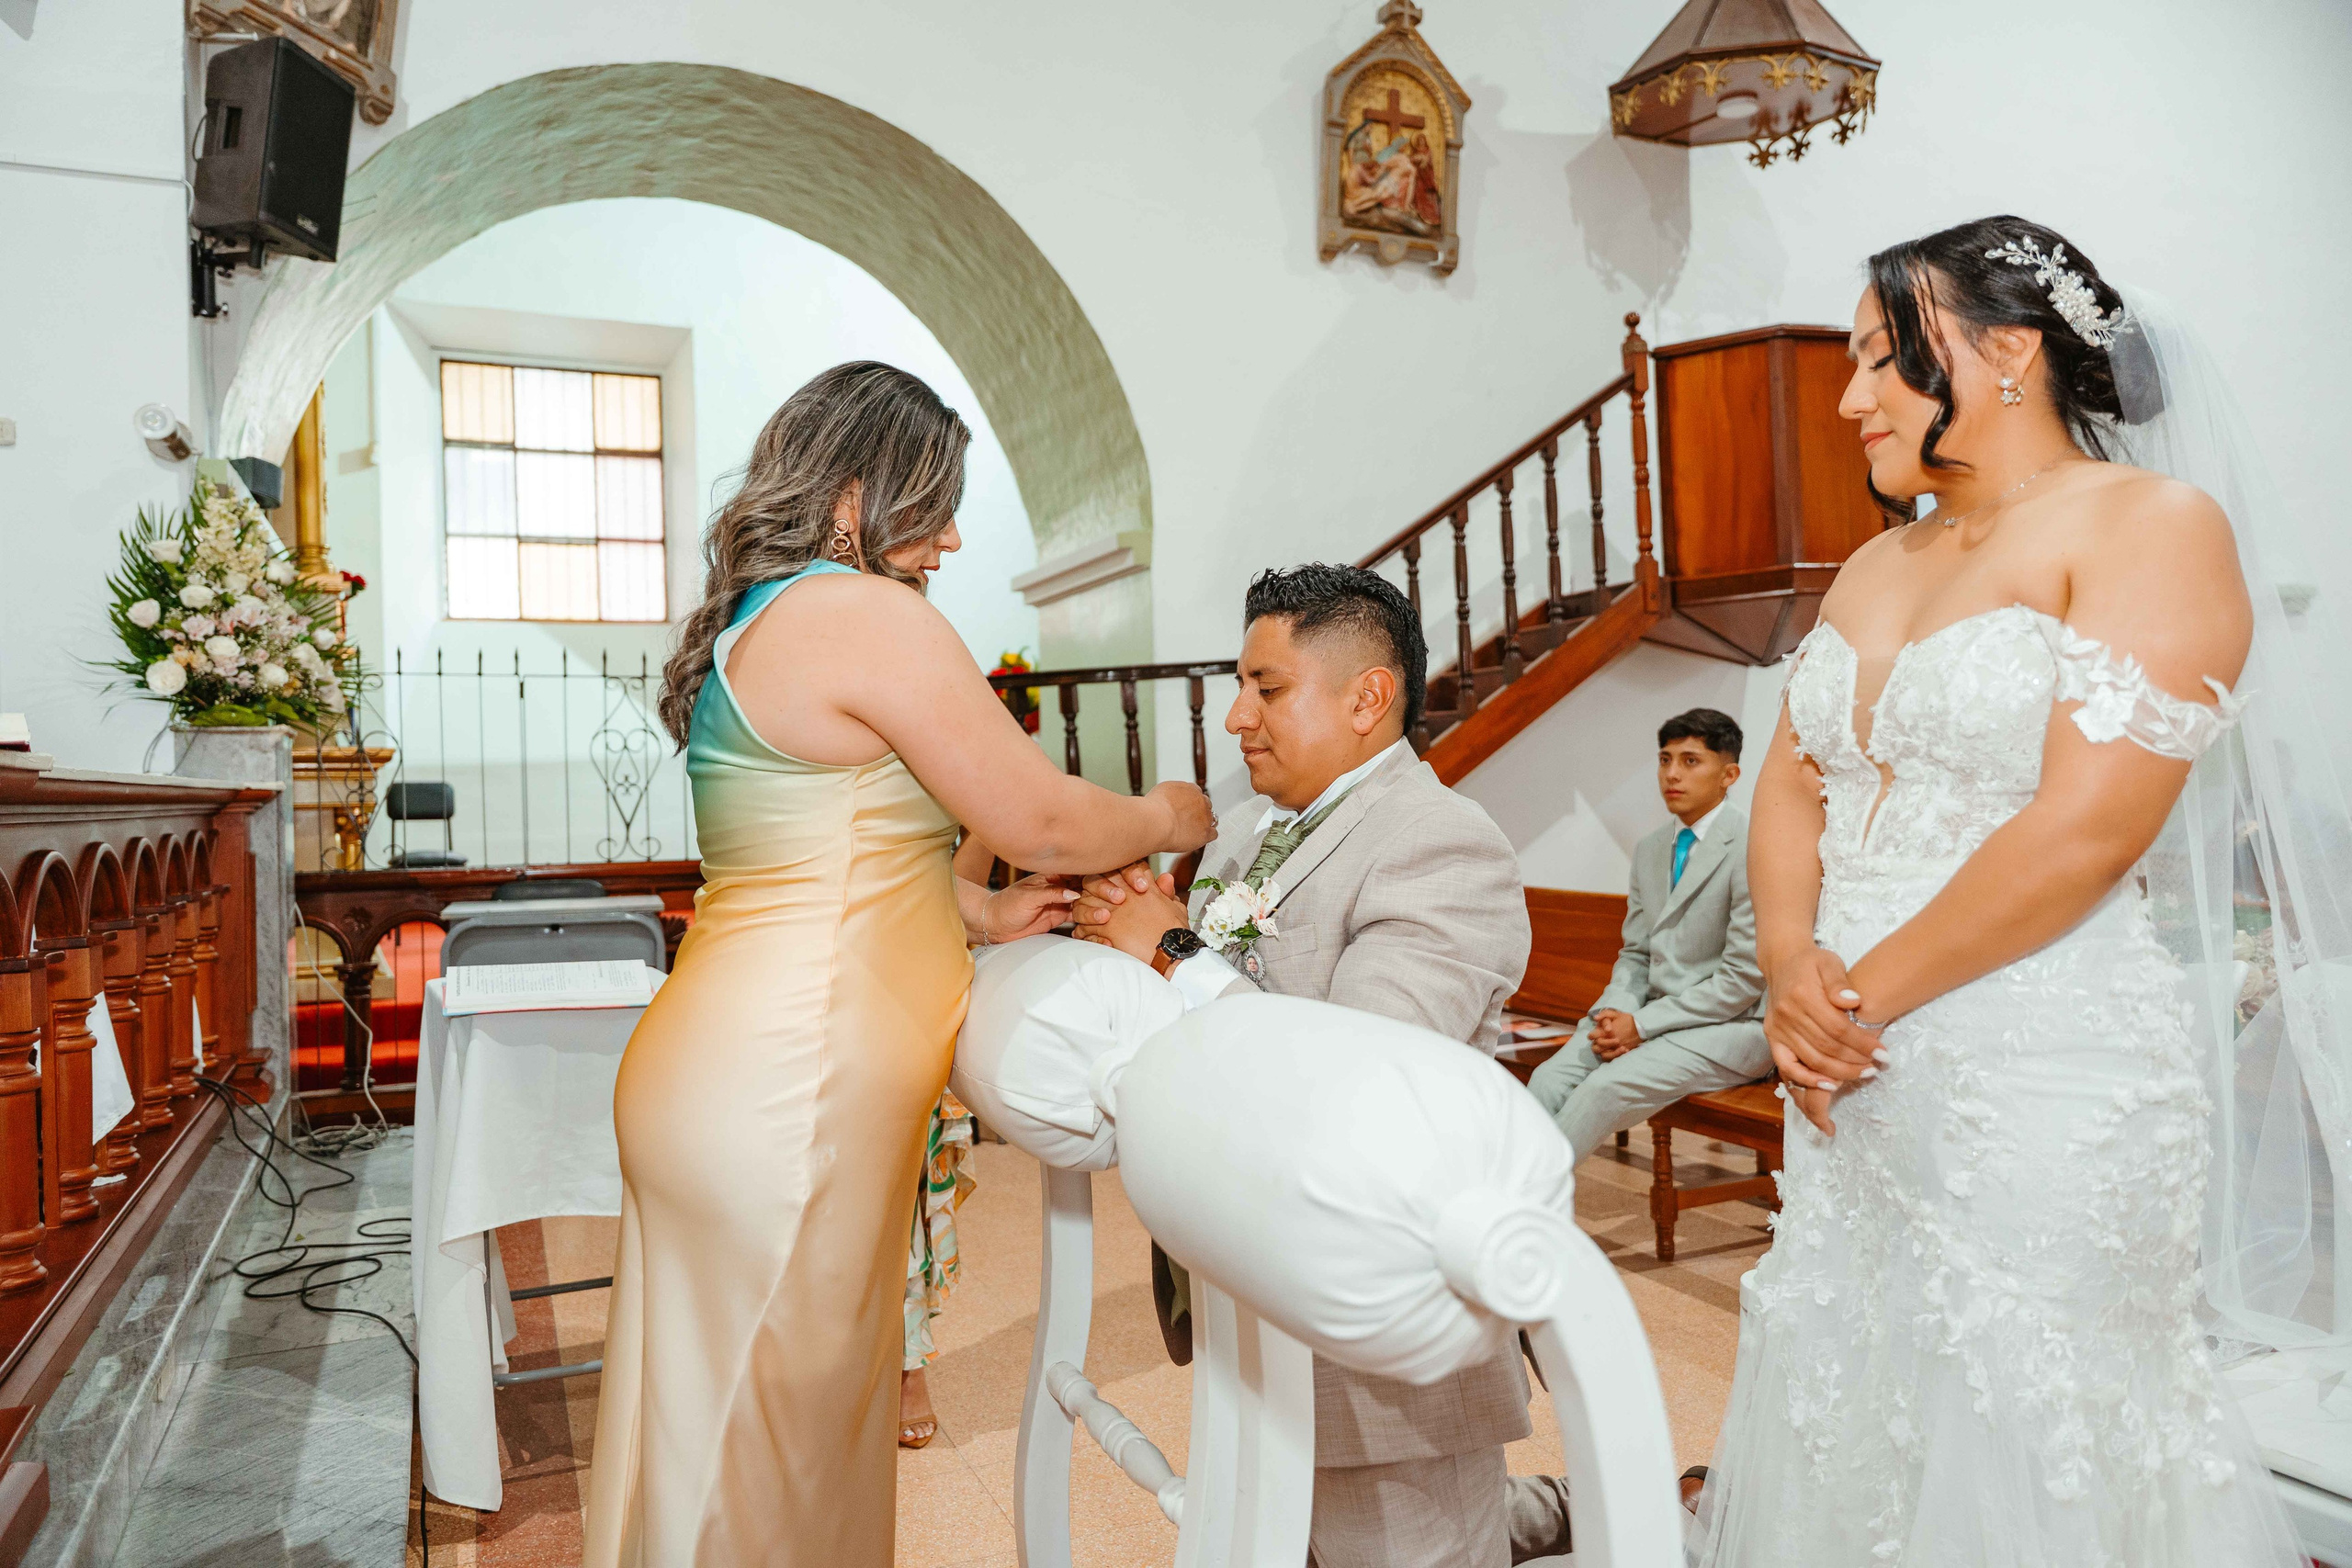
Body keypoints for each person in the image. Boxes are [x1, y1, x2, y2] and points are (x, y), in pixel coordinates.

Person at [1690, 220, 2302, 1564]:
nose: (1849, 397)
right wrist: (1790, 964)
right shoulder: (1875, 564)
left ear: (2007, 351)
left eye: (1878, 359)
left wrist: (1847, 999)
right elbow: (1790, 784)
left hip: (2037, 1061)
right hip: (1845, 1068)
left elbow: (2084, 828)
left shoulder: (2152, 526)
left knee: (2035, 1415)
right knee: (1857, 1392)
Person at [581, 362, 1215, 1568]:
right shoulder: (861, 614)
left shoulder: (768, 614)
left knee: (730, 1449)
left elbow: (818, 856)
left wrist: (976, 913)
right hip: (788, 1095)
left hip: (737, 1069)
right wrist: (1168, 813)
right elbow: (1048, 821)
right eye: (936, 499)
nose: (957, 534)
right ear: (856, 493)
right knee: (766, 1474)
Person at [1073, 563, 1574, 1568]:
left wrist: (1174, 951)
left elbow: (1364, 1080)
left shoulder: (1438, 841)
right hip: (1247, 1299)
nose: (1234, 719)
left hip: (1381, 1346)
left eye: (1266, 689)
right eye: (1239, 688)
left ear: (1366, 697)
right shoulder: (1238, 846)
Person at [1527, 707, 1767, 1159]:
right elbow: (1636, 953)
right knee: (1548, 1080)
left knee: (1604, 1088)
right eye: (1664, 759)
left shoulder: (1752, 847)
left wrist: (1641, 1024)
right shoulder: (1651, 849)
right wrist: (1617, 1010)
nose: (1672, 774)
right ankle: (1516, 1201)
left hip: (1734, 1027)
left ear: (1729, 774)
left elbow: (1742, 981)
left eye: (1691, 761)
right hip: (1647, 1016)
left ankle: (1517, 1205)